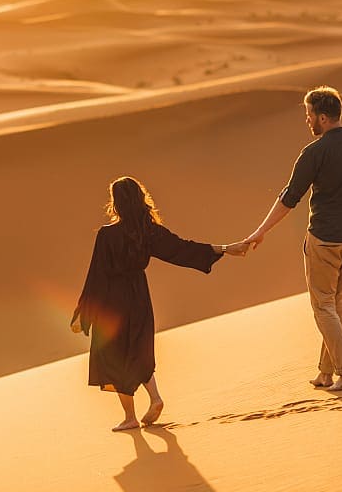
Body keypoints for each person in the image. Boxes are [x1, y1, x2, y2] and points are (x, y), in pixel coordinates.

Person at [244, 86, 342, 392]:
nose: (307, 119)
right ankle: (326, 373)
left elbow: (289, 197)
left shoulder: (314, 153)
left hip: (324, 242)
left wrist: (261, 231)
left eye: (309, 114)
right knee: (337, 306)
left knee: (324, 307)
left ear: (323, 117)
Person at [71, 176, 248, 431]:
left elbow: (96, 276)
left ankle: (130, 417)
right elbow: (181, 249)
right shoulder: (148, 231)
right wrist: (225, 248)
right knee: (138, 349)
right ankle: (155, 397)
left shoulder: (107, 235)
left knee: (113, 357)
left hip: (112, 301)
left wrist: (84, 312)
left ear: (116, 203)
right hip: (139, 297)